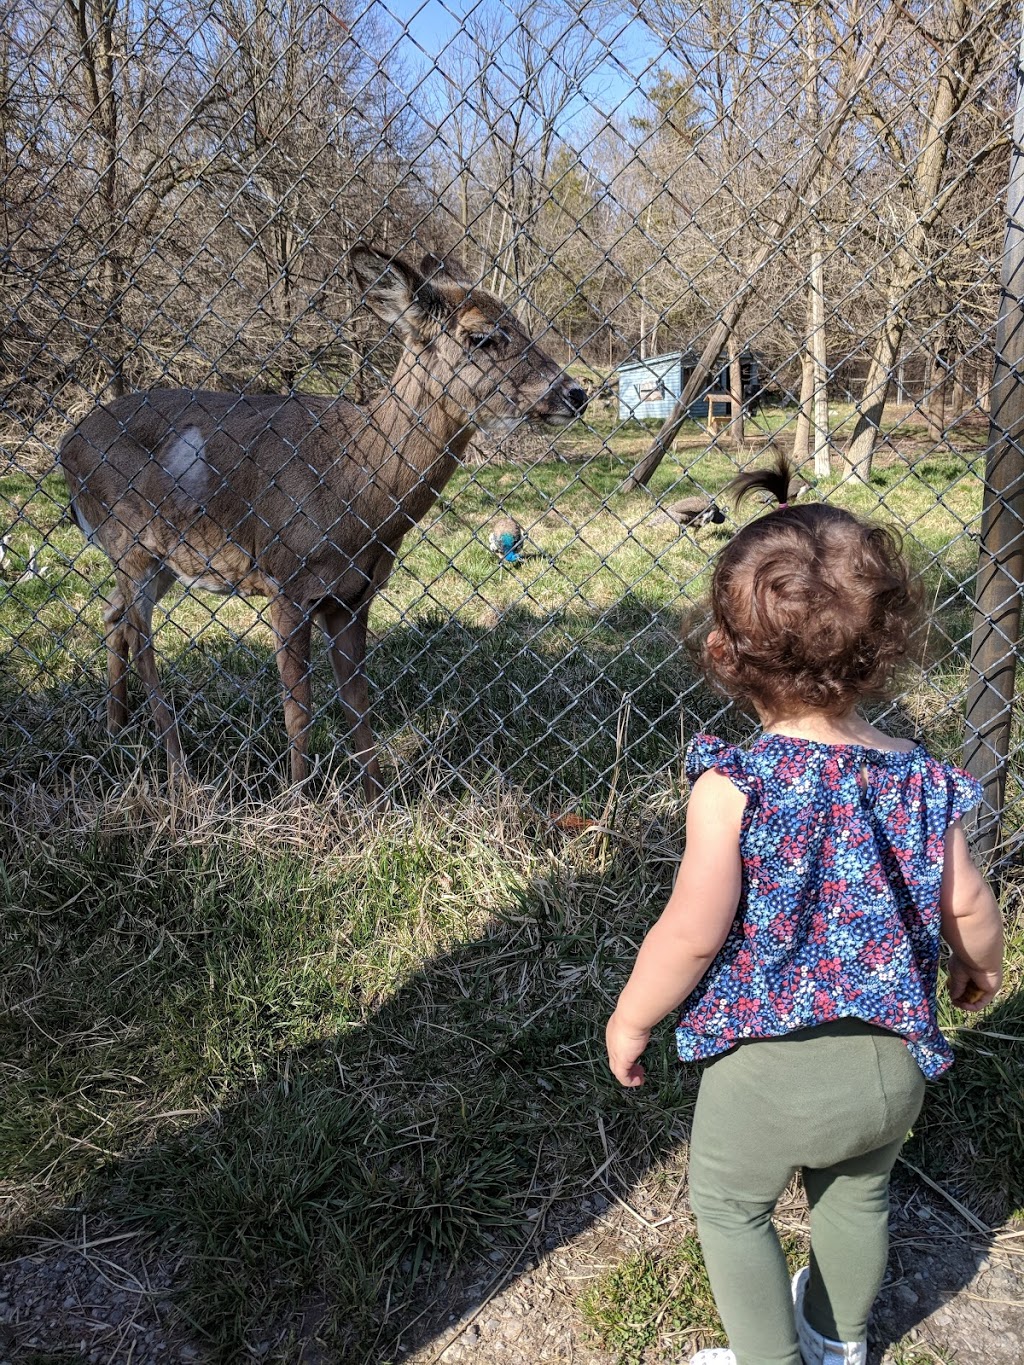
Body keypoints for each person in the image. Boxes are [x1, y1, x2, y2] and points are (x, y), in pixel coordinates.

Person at [604, 457, 1004, 1365]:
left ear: (722, 650)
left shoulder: (733, 786)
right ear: (886, 646)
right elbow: (969, 901)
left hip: (766, 1071)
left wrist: (632, 1017)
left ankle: (769, 1360)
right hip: (890, 1065)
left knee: (732, 1207)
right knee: (857, 1199)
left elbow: (690, 933)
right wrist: (982, 966)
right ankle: (836, 1340)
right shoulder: (919, 777)